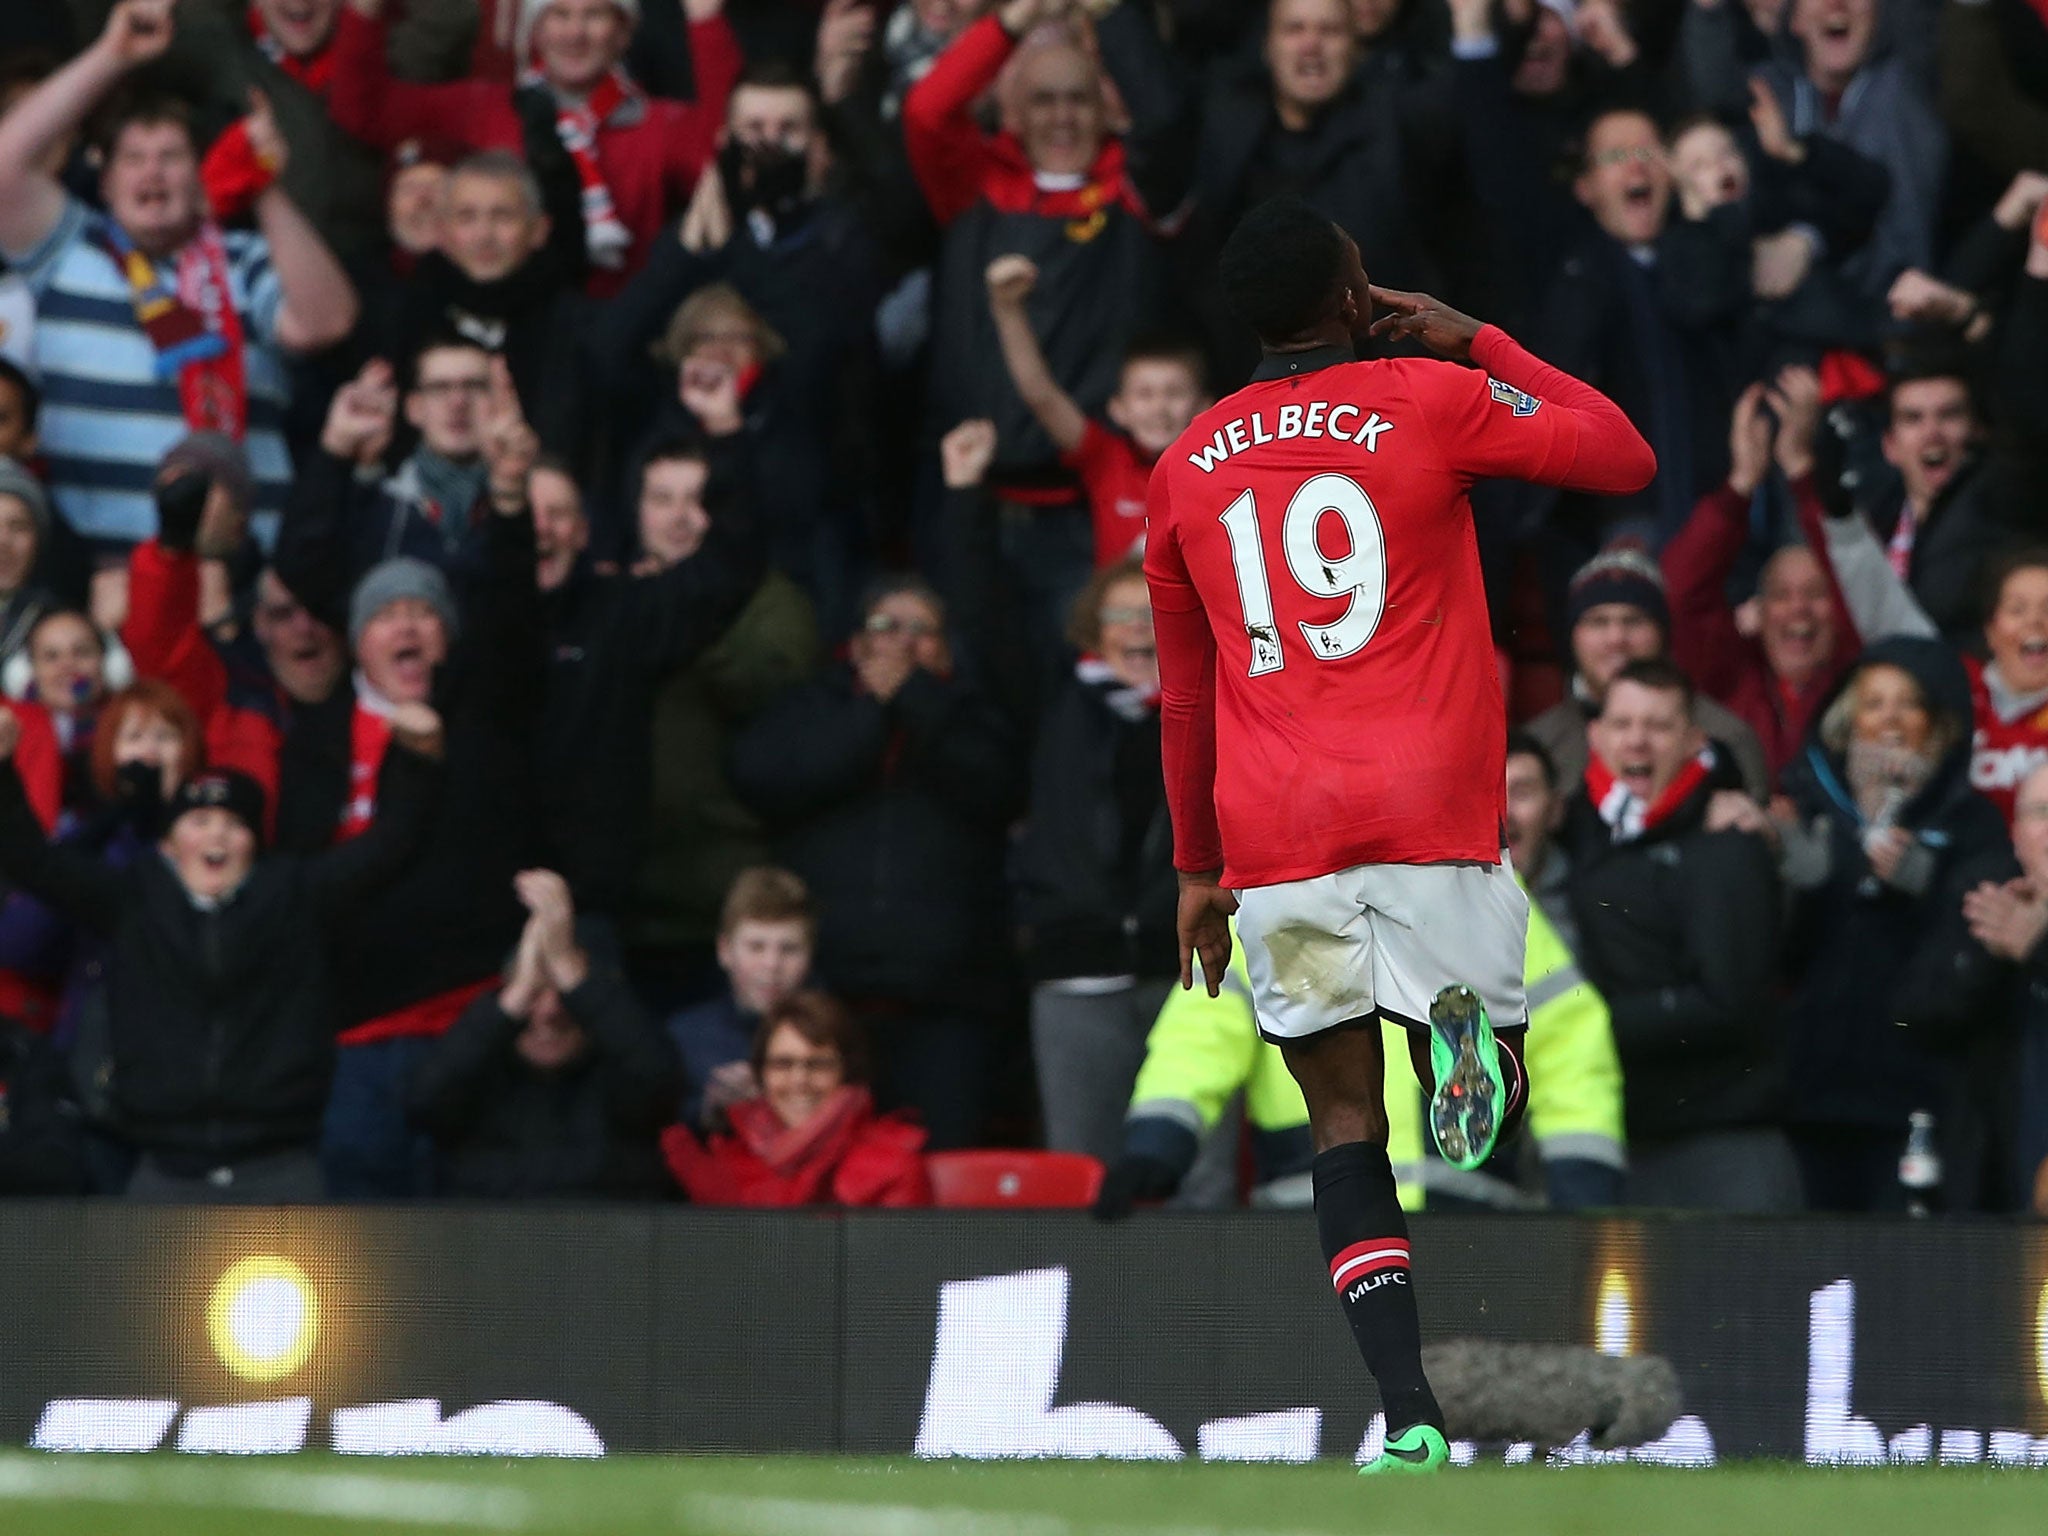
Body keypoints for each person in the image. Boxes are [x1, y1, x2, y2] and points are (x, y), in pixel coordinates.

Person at [1146, 196, 1653, 1474]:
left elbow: (1187, 692)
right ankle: (1463, 1046)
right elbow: (1622, 457)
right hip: (1425, 803)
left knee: (1337, 1130)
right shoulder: (1427, 398)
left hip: (1274, 835)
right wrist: (1476, 338)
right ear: (1348, 294)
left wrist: (1194, 868)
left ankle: (1407, 1414)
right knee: (1474, 1069)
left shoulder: (1184, 465)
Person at [0, 695, 442, 1202]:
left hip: (283, 1169)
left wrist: (415, 758)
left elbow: (389, 849)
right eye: (199, 821)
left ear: (255, 844)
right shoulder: (133, 899)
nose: (217, 834)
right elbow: (35, 861)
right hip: (161, 1171)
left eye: (234, 824)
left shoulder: (294, 896)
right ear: (168, 845)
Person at [0, 1, 359, 555]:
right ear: (106, 179)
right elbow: (6, 166)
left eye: (171, 156)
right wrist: (110, 55)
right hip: (104, 590)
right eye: (134, 158)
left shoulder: (245, 258)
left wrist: (262, 186)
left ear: (200, 174)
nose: (152, 173)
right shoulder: (68, 249)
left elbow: (326, 322)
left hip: (239, 578)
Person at [729, 575, 1023, 1150]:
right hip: (824, 998)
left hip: (947, 1001)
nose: (902, 644)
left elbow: (999, 789)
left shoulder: (975, 714)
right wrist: (874, 715)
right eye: (886, 626)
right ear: (856, 643)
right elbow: (766, 781)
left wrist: (915, 700)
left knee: (941, 1173)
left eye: (921, 630)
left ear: (945, 646)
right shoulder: (812, 705)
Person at [1777, 637, 2018, 1212]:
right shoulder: (1806, 807)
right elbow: (1777, 959)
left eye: (1907, 704)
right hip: (1814, 1100)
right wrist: (1797, 889)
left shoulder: (1971, 823)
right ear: (1847, 720)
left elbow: (1975, 969)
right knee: (1819, 1291)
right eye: (1873, 703)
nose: (1888, 720)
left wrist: (1930, 886)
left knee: (1900, 1281)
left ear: (1939, 726)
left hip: (1917, 1101)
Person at [1562, 659, 1797, 1210]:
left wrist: (1588, 1024)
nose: (1637, 742)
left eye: (1658, 726)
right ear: (1595, 736)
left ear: (1694, 740)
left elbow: (1728, 1002)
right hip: (1627, 1137)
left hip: (1723, 1143)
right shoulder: (1578, 830)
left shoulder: (1726, 844)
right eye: (1622, 725)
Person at [326, 0, 741, 296]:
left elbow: (730, 141)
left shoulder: (655, 123)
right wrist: (365, 9)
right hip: (507, 324)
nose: (575, 33)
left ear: (623, 33)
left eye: (594, 14)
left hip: (618, 329)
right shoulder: (485, 107)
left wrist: (705, 17)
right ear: (536, 30)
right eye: (559, 14)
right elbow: (361, 109)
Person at [1014, 559, 1178, 1171]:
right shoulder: (1052, 708)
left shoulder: (1213, 712)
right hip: (1076, 974)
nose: (1140, 627)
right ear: (1093, 628)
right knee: (1082, 1176)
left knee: (1193, 1179)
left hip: (1186, 977)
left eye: (1155, 613)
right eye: (1122, 613)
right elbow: (988, 623)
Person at [409, 868, 679, 1198]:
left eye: (567, 993)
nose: (549, 1012)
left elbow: (659, 1077)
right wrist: (515, 996)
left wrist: (568, 965)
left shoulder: (620, 1081)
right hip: (486, 1244)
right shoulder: (479, 1075)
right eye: (535, 992)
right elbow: (424, 1099)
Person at [1660, 368, 1859, 782]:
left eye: (1815, 594)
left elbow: (1852, 581)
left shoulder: (1860, 674)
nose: (1798, 610)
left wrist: (1803, 472)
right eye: (1781, 596)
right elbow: (1679, 594)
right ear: (1758, 612)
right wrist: (1740, 486)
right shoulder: (1729, 675)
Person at [986, 256, 1208, 570]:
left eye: (1174, 393)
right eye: (1144, 394)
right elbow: (1041, 395)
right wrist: (1006, 309)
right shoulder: (1106, 458)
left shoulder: (1220, 468)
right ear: (1118, 409)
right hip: (1113, 618)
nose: (1160, 408)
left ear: (1206, 408)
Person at [1524, 546, 1773, 800]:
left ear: (1663, 634)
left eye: (1634, 621)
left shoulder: (1726, 737)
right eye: (1598, 621)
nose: (1616, 638)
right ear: (1572, 637)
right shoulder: (1538, 746)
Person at [661, 989, 933, 1207]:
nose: (799, 1081)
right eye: (782, 1064)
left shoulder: (893, 1166)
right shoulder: (727, 1165)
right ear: (761, 1074)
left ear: (847, 1073)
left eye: (818, 1065)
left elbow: (899, 1275)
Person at [664, 866, 816, 1132]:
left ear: (810, 956)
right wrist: (709, 1111)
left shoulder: (836, 1037)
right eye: (756, 947)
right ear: (724, 951)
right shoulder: (684, 1036)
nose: (771, 964)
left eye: (789, 949)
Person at [1964, 762, 2048, 1216]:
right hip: (2000, 1180)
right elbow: (1920, 1010)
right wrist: (1989, 951)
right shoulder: (1993, 905)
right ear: (2016, 834)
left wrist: (2038, 946)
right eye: (2041, 812)